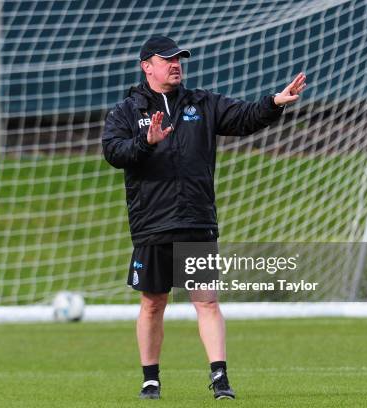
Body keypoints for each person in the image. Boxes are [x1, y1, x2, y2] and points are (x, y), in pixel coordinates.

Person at [102, 35, 306, 400]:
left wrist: (274, 102)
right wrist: (145, 143)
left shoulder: (202, 104)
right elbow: (114, 152)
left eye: (179, 58)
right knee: (152, 303)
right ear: (146, 66)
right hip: (152, 224)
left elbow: (244, 118)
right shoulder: (127, 112)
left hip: (196, 220)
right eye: (167, 59)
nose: (176, 64)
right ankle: (150, 379)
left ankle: (220, 377)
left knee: (207, 301)